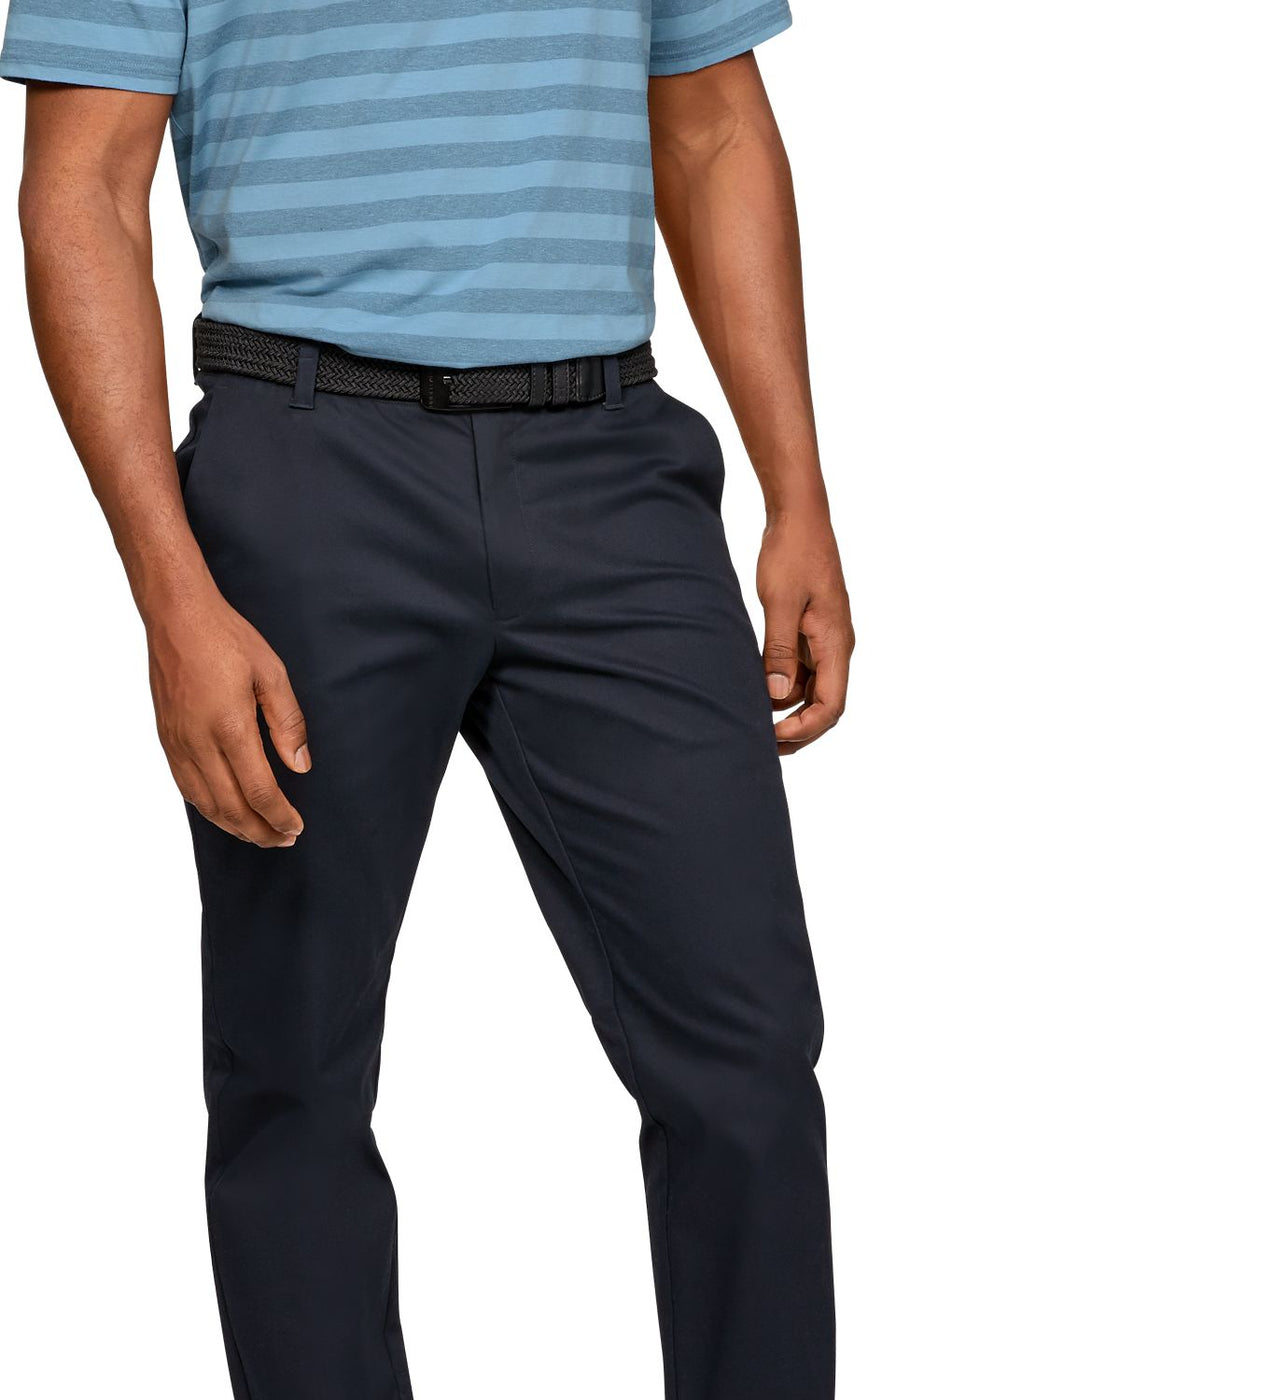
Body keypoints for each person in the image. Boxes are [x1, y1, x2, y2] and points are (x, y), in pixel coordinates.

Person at [2, 1, 853, 1395]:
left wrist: (797, 490)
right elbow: (80, 188)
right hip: (308, 466)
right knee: (294, 1065)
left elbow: (712, 126)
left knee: (748, 1054)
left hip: (614, 470)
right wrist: (170, 593)